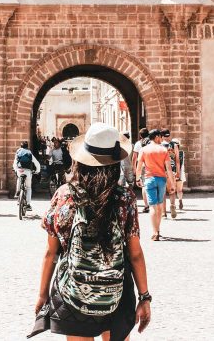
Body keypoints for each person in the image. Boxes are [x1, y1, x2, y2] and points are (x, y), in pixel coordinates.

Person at [33, 122, 150, 340]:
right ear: (114, 163)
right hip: (116, 291)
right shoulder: (124, 198)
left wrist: (42, 294)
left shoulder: (63, 195)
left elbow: (51, 253)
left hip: (73, 291)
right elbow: (135, 253)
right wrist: (145, 297)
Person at [135, 129, 175, 241]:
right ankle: (158, 230)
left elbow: (139, 167)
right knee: (159, 206)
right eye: (161, 137)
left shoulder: (143, 150)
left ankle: (155, 232)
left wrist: (137, 178)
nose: (162, 139)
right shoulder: (163, 150)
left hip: (149, 179)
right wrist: (172, 184)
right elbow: (169, 169)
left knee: (153, 206)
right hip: (161, 179)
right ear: (157, 137)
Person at [13, 141, 41, 211]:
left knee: (19, 178)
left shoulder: (18, 151)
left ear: (21, 146)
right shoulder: (29, 153)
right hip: (28, 171)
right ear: (27, 146)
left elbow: (15, 162)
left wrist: (15, 169)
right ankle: (28, 204)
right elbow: (36, 163)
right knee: (28, 188)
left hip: (20, 170)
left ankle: (18, 191)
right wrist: (37, 170)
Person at [132, 128, 150, 213]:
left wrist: (134, 169)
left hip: (142, 166)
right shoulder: (151, 143)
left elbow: (134, 158)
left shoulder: (138, 144)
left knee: (144, 186)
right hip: (151, 165)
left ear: (140, 135)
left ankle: (146, 206)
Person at [168, 139, 186, 212]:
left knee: (172, 190)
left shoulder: (168, 153)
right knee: (179, 190)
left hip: (171, 173)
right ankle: (180, 200)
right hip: (180, 173)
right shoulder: (182, 153)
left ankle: (173, 204)